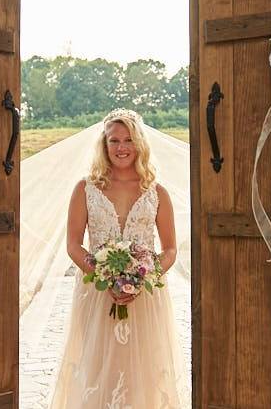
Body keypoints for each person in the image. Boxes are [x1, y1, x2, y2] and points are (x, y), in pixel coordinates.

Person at [49, 108, 189, 408]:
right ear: (104, 144)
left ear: (139, 144)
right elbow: (73, 245)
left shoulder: (156, 192)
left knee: (144, 366)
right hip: (97, 293)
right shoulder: (85, 189)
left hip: (145, 296)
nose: (121, 147)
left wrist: (141, 279)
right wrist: (105, 277)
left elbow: (170, 249)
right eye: (114, 141)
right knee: (97, 364)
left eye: (128, 140)